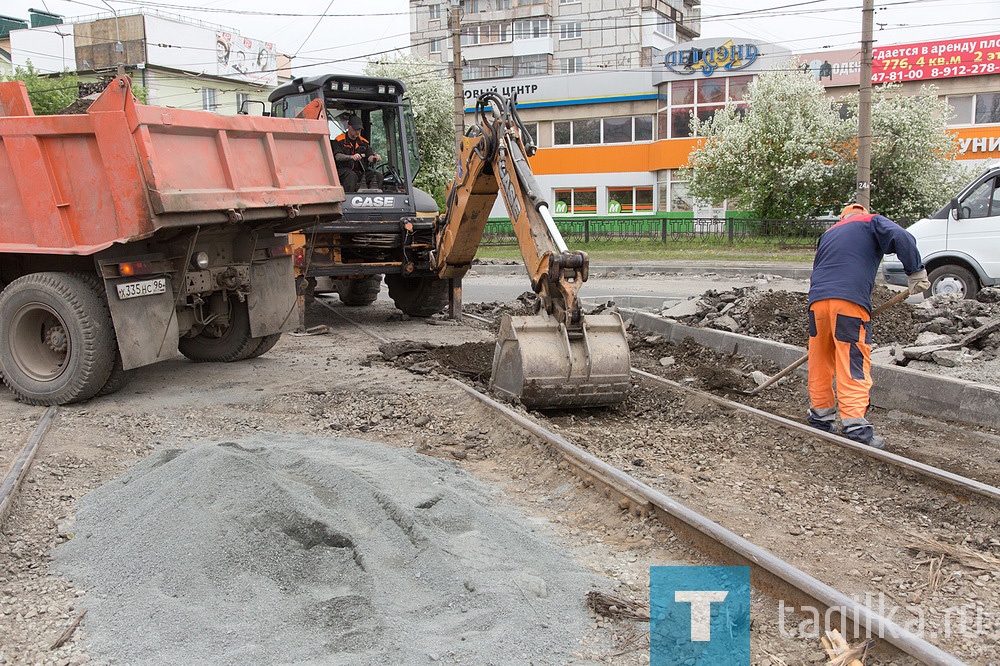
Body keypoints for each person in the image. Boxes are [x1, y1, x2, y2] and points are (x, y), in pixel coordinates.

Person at [806, 203, 930, 449]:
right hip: (849, 302)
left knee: (820, 359)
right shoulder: (871, 221)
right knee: (852, 361)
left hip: (817, 302)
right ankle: (855, 426)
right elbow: (902, 236)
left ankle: (820, 417)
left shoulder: (829, 233)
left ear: (842, 218)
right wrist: (915, 270)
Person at [332, 116, 382, 191]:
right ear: (348, 126)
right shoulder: (339, 140)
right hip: (343, 171)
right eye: (355, 129)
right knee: (351, 175)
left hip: (360, 172)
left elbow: (369, 156)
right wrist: (351, 157)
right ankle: (349, 198)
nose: (357, 132)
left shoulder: (364, 142)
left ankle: (373, 197)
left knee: (378, 176)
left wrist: (375, 158)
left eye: (359, 129)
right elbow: (338, 156)